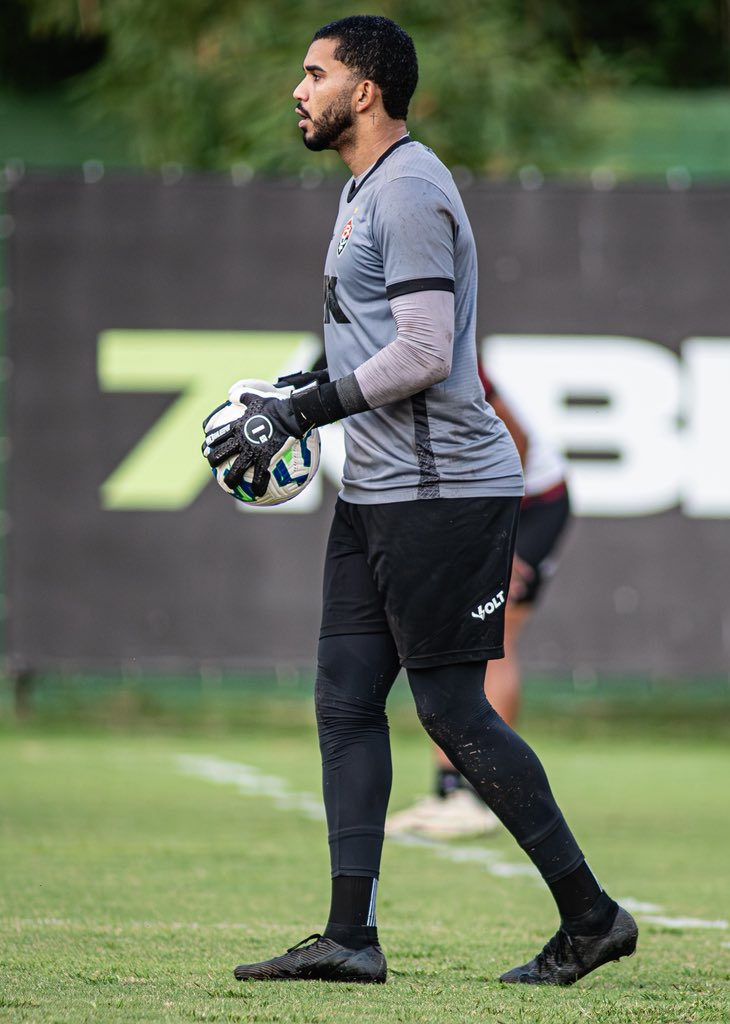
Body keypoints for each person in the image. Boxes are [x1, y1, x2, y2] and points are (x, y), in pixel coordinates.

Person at [201, 14, 637, 986]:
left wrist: (303, 411)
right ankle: (349, 937)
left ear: (365, 91)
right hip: (377, 490)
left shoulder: (407, 189)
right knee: (345, 699)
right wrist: (297, 392)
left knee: (451, 710)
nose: (297, 90)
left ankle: (591, 917)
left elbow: (428, 353)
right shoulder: (363, 188)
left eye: (314, 74)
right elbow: (370, 341)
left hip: (443, 492)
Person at [385, 362, 572, 839]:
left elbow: (518, 441)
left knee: (496, 636)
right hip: (467, 506)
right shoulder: (362, 358)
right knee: (447, 639)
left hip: (526, 504)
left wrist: (500, 535)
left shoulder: (436, 352)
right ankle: (449, 791)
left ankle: (484, 791)